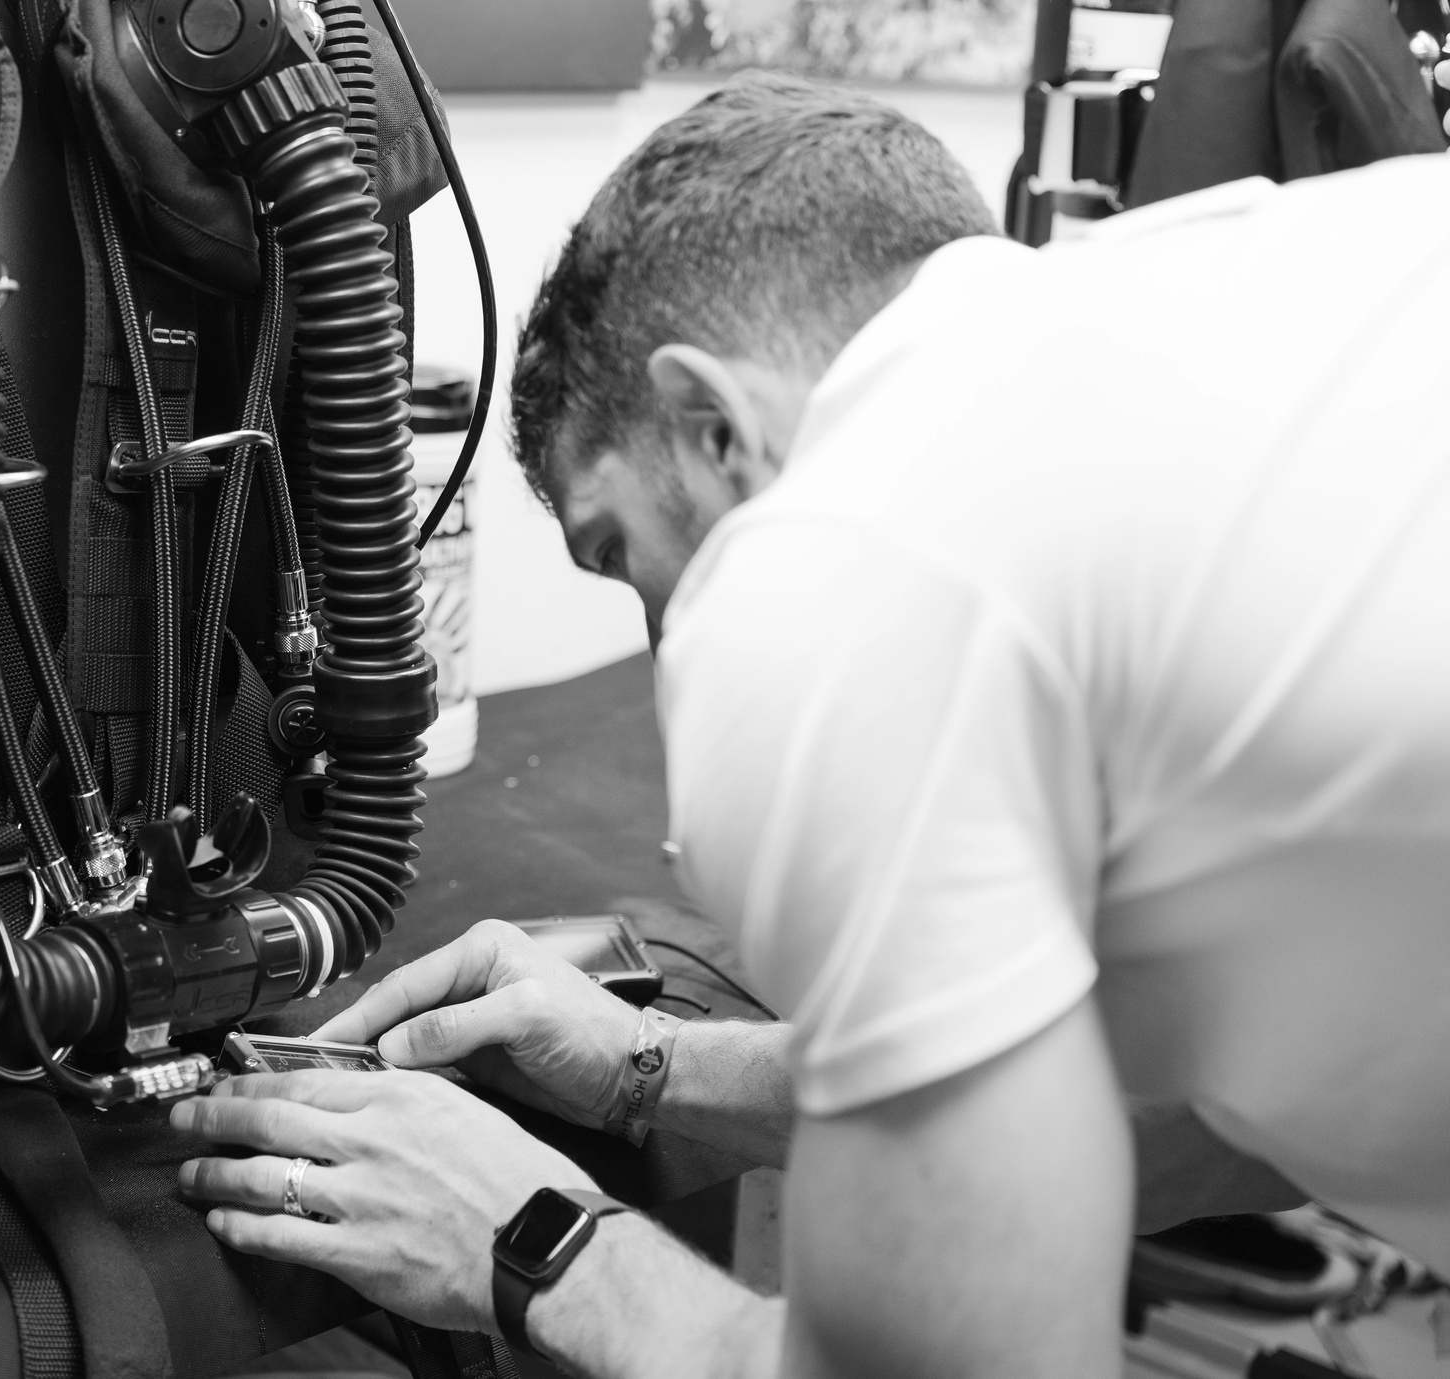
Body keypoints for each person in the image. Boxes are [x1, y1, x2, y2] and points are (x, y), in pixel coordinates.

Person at [170, 72, 1450, 1376]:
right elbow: (1231, 1104)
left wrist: (514, 1227)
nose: (674, 650)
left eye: (625, 556)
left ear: (714, 427)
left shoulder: (843, 555)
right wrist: (648, 1064)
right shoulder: (1258, 294)